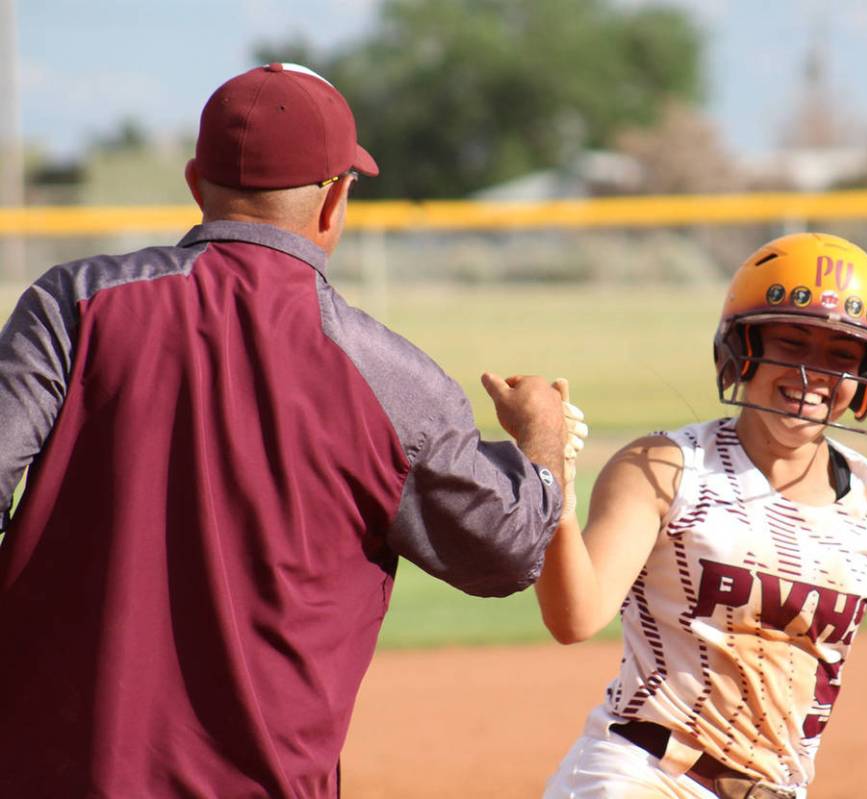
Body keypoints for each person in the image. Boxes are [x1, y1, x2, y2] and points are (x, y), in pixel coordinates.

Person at [0, 63, 569, 797]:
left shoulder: (72, 305)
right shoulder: (392, 380)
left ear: (195, 182)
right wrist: (540, 445)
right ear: (334, 200)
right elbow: (504, 552)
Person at [522, 233, 867, 799]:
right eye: (792, 345)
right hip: (642, 775)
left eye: (841, 355)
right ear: (743, 348)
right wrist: (549, 473)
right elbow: (573, 618)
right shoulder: (667, 468)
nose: (812, 375)